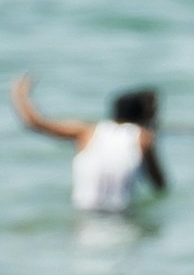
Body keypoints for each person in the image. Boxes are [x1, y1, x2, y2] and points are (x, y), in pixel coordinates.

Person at [12, 73, 168, 215]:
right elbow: (160, 185)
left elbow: (35, 123)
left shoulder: (87, 132)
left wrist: (19, 94)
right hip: (121, 216)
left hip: (83, 216)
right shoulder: (143, 138)